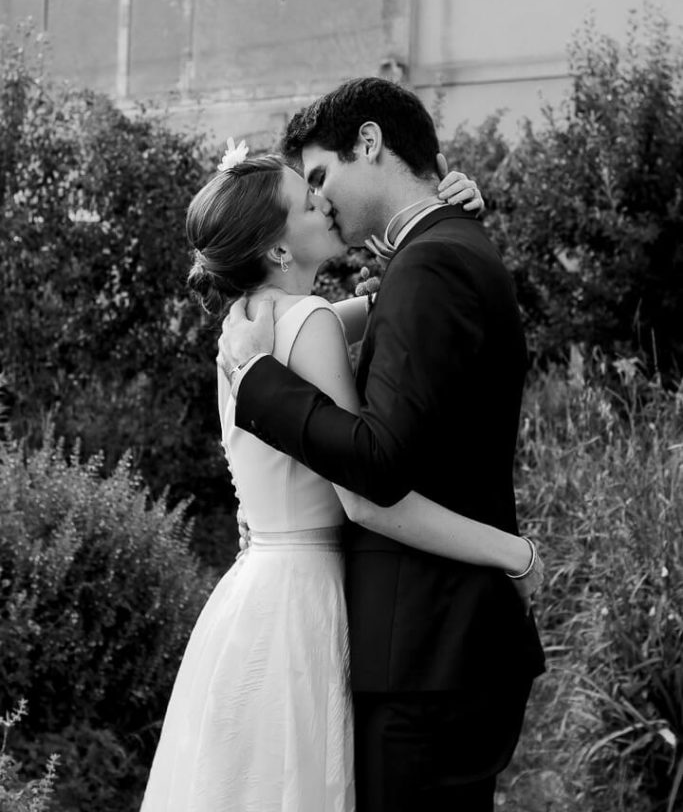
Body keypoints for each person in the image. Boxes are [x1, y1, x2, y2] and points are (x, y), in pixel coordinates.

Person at [140, 138, 543, 812]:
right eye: (306, 200)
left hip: (252, 590)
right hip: (306, 593)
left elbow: (396, 302)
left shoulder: (244, 327)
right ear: (276, 249)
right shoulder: (310, 324)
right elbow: (364, 497)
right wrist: (512, 552)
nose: (323, 202)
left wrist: (437, 218)